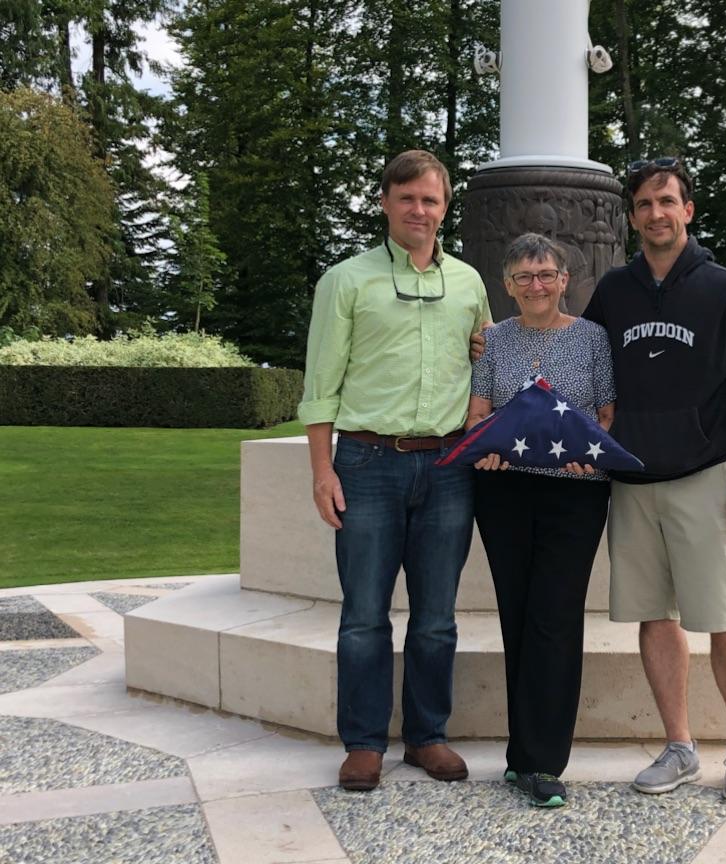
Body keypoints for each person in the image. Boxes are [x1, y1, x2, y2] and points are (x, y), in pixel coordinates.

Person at [582, 157, 726, 803]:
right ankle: (678, 747)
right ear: (632, 216)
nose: (655, 214)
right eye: (643, 204)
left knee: (723, 618)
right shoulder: (614, 291)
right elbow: (581, 362)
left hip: (706, 475)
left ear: (688, 210)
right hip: (633, 479)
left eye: (666, 201)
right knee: (653, 617)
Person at [298, 149, 490, 791]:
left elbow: (487, 362)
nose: (419, 210)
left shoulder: (467, 282)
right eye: (407, 198)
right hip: (367, 461)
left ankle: (428, 735)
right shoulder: (346, 281)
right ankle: (363, 742)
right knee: (364, 615)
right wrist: (323, 471)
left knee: (437, 616)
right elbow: (321, 383)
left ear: (444, 207)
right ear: (385, 202)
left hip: (447, 466)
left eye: (431, 200)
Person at [466, 233, 615, 808]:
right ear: (507, 285)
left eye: (546, 274)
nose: (537, 285)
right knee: (517, 614)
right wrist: (489, 444)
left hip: (576, 493)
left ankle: (543, 761)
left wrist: (590, 447)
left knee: (554, 617)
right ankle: (518, 755)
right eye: (524, 277)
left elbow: (606, 414)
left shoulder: (592, 339)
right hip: (503, 490)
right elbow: (479, 414)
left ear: (564, 281)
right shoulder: (494, 341)